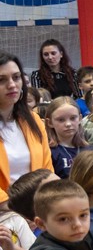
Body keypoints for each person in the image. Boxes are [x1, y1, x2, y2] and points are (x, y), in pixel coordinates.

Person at [0, 52, 53, 208]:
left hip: (37, 207)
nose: (12, 85)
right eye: (1, 80)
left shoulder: (34, 120)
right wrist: (15, 212)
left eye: (16, 77)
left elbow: (46, 170)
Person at [43, 97, 88, 179]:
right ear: (50, 123)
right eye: (61, 120)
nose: (68, 124)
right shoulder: (48, 152)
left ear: (80, 119)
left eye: (73, 118)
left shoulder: (90, 150)